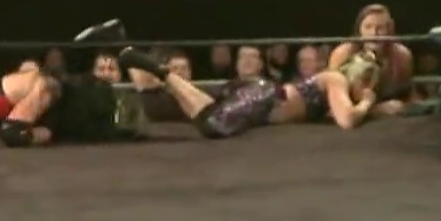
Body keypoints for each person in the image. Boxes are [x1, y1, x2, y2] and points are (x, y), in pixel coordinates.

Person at [117, 45, 380, 138]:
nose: (366, 86)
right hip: (266, 96)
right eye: (366, 79)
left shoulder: (336, 90)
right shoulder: (336, 79)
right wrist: (367, 102)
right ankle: (159, 70)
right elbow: (348, 120)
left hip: (261, 96)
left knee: (161, 106)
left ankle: (123, 46)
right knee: (214, 124)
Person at [327, 3, 413, 113]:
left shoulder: (402, 56)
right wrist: (378, 109)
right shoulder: (343, 54)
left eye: (380, 28)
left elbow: (406, 95)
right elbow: (333, 105)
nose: (374, 33)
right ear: (359, 30)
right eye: (368, 27)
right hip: (349, 113)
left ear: (389, 30)